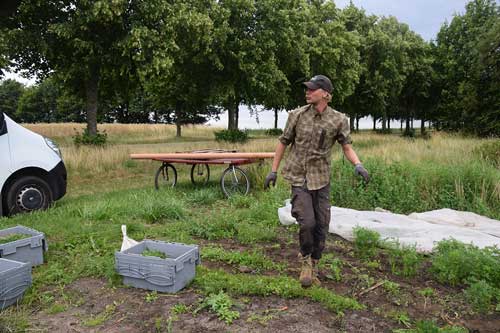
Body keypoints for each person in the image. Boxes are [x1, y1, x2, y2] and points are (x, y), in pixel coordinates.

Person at [264, 74, 369, 288]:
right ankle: (305, 263)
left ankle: (315, 264)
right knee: (307, 222)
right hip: (299, 176)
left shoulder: (338, 120)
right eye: (307, 88)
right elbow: (283, 143)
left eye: (312, 89)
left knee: (322, 225)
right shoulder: (296, 115)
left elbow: (346, 146)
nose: (307, 92)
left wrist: (358, 165)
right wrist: (273, 171)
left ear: (326, 94)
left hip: (321, 179)